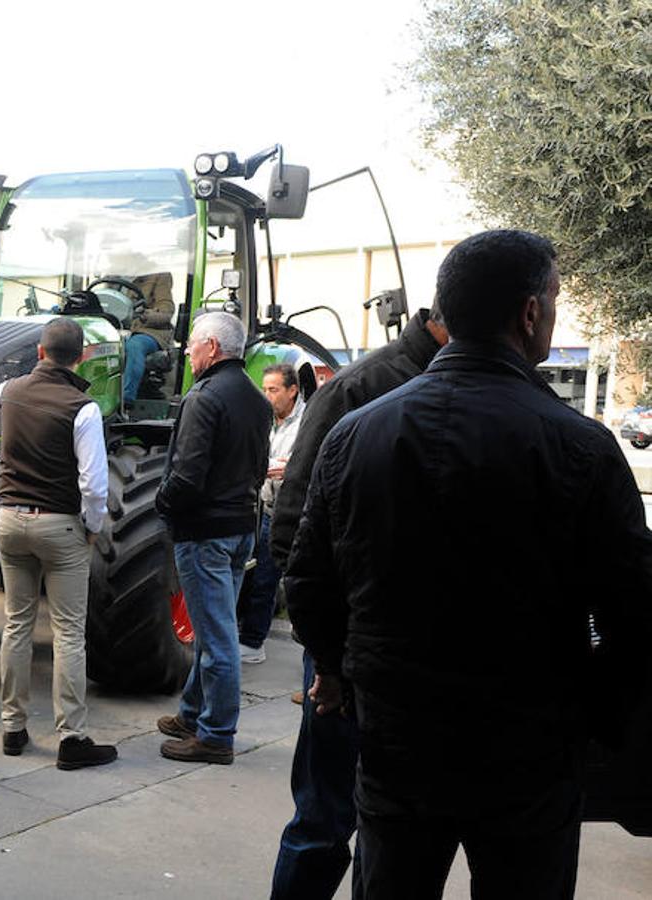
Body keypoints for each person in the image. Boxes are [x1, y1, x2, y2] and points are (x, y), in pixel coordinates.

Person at [285, 230, 652, 898]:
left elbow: (308, 578)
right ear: (530, 313)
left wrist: (337, 671)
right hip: (529, 749)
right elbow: (632, 610)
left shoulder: (356, 433)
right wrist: (598, 715)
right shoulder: (580, 447)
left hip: (398, 737)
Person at [268, 301, 447, 900]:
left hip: (416, 670)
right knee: (323, 820)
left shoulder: (482, 392)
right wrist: (329, 657)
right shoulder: (360, 389)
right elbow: (293, 532)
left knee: (391, 832)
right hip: (346, 658)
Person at [0, 317, 115, 770]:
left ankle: (12, 728)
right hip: (60, 527)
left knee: (17, 624)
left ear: (39, 352)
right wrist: (92, 526)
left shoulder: (10, 390)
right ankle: (72, 738)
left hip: (10, 522)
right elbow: (93, 486)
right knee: (69, 631)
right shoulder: (84, 407)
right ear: (83, 357)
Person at [154, 312, 271, 764]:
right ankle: (193, 713)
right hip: (241, 527)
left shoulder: (204, 397)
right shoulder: (258, 400)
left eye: (193, 344)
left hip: (205, 534)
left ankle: (217, 735)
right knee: (211, 630)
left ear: (213, 349)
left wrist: (163, 504)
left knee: (218, 638)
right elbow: (259, 468)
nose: (187, 351)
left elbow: (187, 474)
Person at [237, 363, 304, 665]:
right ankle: (249, 636)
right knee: (257, 573)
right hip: (263, 504)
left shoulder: (306, 423)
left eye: (274, 390)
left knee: (273, 576)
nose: (267, 396)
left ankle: (254, 642)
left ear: (293, 391)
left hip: (292, 509)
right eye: (264, 389)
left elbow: (306, 460)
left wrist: (287, 467)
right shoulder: (264, 419)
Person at [122, 272, 176, 404]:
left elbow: (166, 311)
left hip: (147, 331)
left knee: (135, 346)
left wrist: (144, 314)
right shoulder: (110, 279)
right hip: (115, 329)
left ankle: (126, 399)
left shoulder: (159, 276)